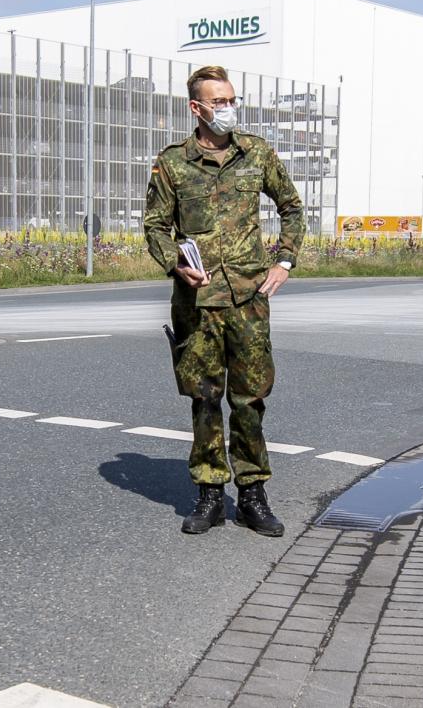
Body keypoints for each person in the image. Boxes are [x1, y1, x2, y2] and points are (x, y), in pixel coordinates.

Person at [143, 65, 304, 537]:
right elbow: (154, 225)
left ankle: (252, 493)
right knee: (204, 397)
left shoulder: (256, 153)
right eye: (219, 101)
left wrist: (285, 261)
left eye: (232, 99)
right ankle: (210, 492)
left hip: (249, 296)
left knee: (250, 399)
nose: (229, 108)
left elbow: (292, 207)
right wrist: (175, 262)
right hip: (197, 301)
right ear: (197, 108)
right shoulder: (172, 163)